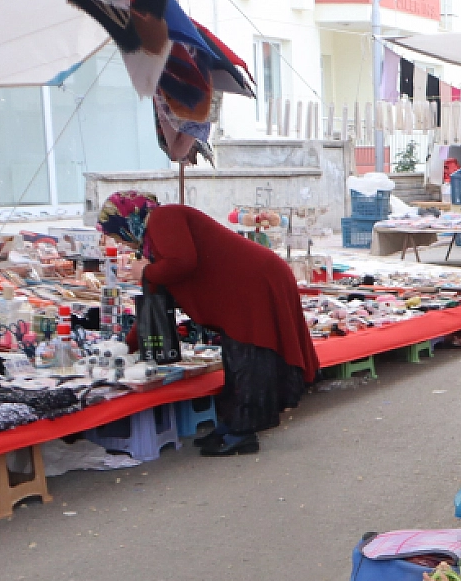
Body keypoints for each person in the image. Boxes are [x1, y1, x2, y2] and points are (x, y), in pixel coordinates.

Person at [97, 192, 319, 457]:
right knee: (238, 358)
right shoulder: (152, 243)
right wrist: (127, 348)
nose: (119, 241)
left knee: (251, 356)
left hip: (255, 282)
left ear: (124, 219)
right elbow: (154, 301)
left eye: (115, 235)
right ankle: (233, 425)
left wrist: (146, 271)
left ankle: (243, 432)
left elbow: (183, 262)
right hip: (243, 287)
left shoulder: (163, 218)